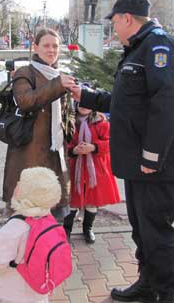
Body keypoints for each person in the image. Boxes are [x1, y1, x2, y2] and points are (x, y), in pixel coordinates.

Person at [64, 0, 174, 303]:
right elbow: (128, 102)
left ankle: (165, 294)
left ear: (126, 18)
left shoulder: (159, 47)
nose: (112, 28)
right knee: (142, 228)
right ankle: (147, 284)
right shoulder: (139, 49)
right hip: (139, 161)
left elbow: (167, 106)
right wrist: (88, 95)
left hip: (155, 163)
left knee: (157, 232)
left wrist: (152, 156)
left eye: (114, 22)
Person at [2, 28, 76, 221]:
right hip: (29, 153)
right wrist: (58, 85)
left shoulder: (60, 75)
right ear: (35, 47)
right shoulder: (25, 73)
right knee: (27, 208)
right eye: (46, 45)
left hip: (55, 152)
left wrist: (70, 128)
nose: (51, 50)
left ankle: (50, 246)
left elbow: (67, 112)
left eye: (55, 46)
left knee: (56, 208)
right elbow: (25, 101)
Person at [0, 166, 62, 303]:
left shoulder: (14, 228)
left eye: (20, 183)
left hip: (12, 293)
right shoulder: (50, 223)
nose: (17, 185)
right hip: (38, 290)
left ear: (24, 194)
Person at [64, 98, 121, 243]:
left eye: (88, 102)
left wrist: (94, 147)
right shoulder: (69, 122)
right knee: (72, 200)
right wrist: (73, 150)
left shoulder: (101, 122)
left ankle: (87, 229)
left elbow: (112, 143)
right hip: (74, 167)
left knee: (91, 201)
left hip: (95, 168)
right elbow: (64, 143)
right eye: (81, 103)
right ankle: (66, 230)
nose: (84, 106)